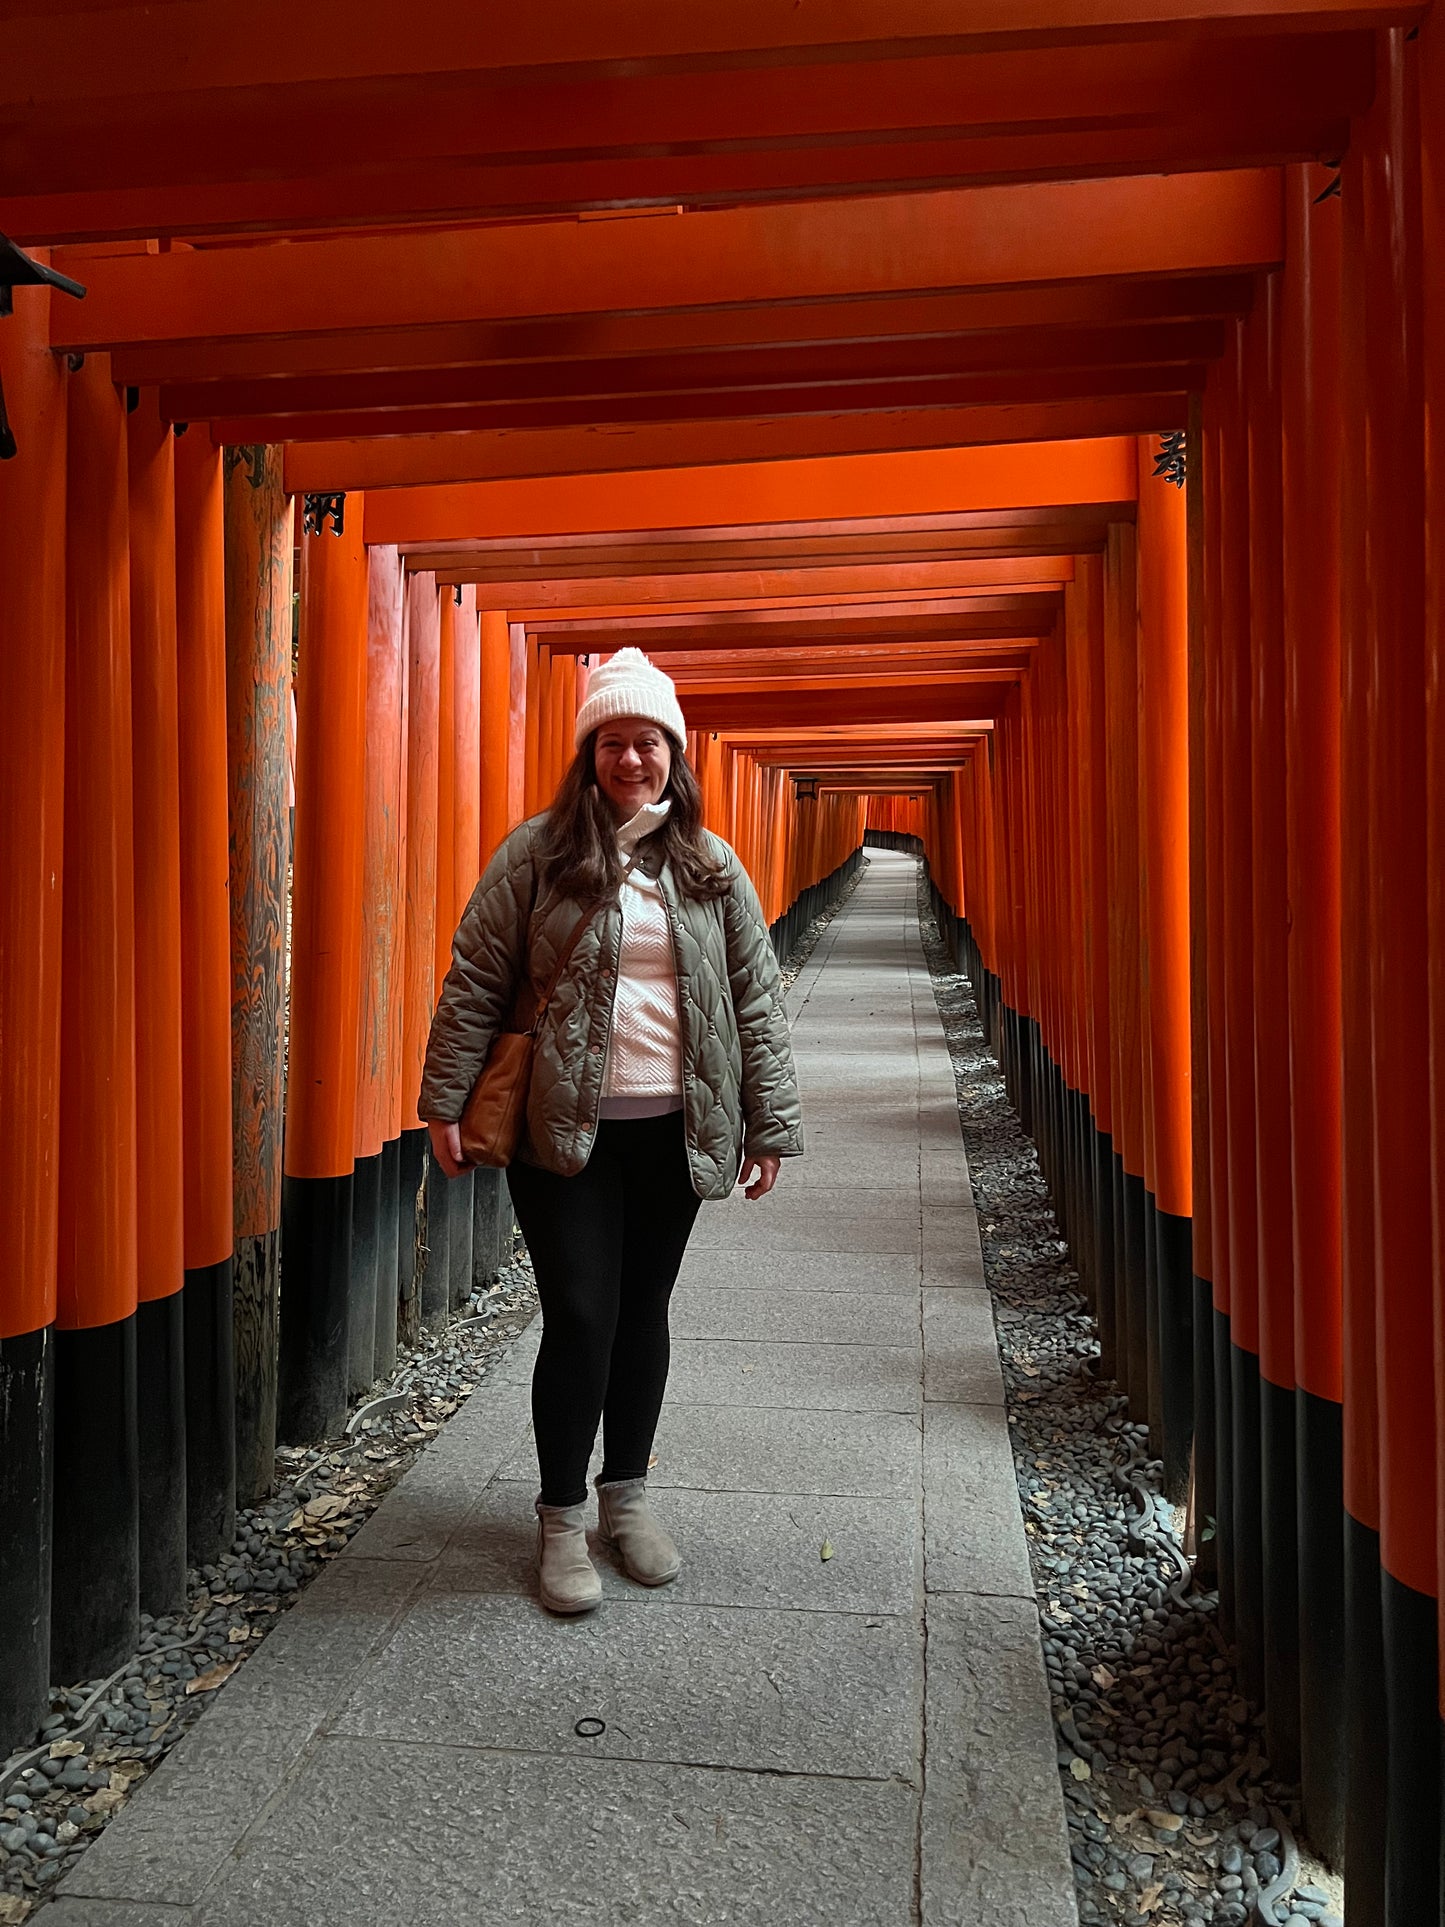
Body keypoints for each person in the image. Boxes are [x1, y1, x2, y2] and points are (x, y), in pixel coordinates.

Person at [419, 648, 803, 1615]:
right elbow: (476, 976)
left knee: (643, 1313)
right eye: (612, 742)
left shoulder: (710, 865)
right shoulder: (539, 851)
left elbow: (754, 997)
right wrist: (444, 1100)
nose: (631, 758)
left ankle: (624, 1499)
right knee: (582, 1314)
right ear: (588, 753)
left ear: (675, 752)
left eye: (648, 741)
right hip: (561, 1127)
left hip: (675, 1125)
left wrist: (769, 1124)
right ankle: (557, 1518)